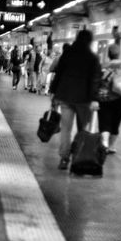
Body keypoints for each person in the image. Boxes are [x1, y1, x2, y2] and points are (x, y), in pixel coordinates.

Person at [50, 30, 101, 170]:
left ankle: (64, 159)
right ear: (90, 41)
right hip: (84, 100)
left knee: (65, 129)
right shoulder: (93, 57)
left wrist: (53, 93)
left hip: (65, 96)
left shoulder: (68, 54)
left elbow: (59, 74)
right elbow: (95, 80)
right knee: (81, 130)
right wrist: (95, 99)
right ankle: (78, 158)